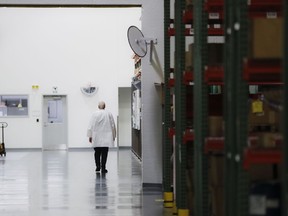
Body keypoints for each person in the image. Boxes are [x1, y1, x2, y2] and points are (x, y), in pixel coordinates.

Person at [87, 101, 116, 173]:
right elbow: (113, 125)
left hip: (96, 136)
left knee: (97, 152)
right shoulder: (109, 114)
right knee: (104, 153)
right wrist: (113, 135)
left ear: (98, 106)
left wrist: (90, 136)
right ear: (105, 106)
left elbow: (90, 125)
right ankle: (103, 168)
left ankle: (97, 167)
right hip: (107, 136)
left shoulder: (94, 114)